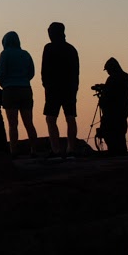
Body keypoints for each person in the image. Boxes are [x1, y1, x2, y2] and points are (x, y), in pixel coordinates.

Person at [40, 23, 81, 157]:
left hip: (53, 89)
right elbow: (76, 72)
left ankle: (56, 149)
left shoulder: (49, 48)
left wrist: (46, 85)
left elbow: (44, 70)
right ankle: (71, 148)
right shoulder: (71, 49)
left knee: (51, 119)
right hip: (69, 88)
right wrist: (75, 88)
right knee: (70, 117)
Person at [0, 32, 38, 154]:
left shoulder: (5, 54)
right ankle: (34, 150)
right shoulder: (25, 54)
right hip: (25, 89)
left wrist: (4, 84)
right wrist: (24, 80)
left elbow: (1, 72)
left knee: (13, 124)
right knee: (29, 122)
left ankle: (13, 151)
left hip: (10, 90)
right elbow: (32, 72)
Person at [95, 59, 128, 155]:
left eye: (107, 70)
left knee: (110, 135)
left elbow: (108, 97)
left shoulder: (112, 79)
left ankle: (114, 155)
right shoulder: (127, 77)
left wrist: (102, 96)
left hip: (111, 115)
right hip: (123, 113)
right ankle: (122, 155)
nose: (107, 72)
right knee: (120, 137)